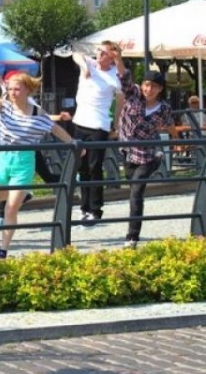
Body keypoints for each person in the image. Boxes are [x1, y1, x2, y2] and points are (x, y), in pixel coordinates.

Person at [0, 67, 75, 259]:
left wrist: (74, 144)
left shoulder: (37, 111)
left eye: (16, 89)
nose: (12, 93)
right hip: (3, 156)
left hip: (25, 160)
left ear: (27, 89)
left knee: (11, 208)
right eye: (10, 89)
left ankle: (3, 249)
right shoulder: (4, 106)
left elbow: (54, 129)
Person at [119, 69, 177, 249]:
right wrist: (118, 59)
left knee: (136, 192)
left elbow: (170, 124)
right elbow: (125, 79)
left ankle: (132, 236)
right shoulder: (134, 95)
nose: (148, 89)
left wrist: (177, 140)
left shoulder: (164, 108)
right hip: (127, 150)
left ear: (160, 89)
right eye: (146, 84)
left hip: (146, 153)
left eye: (154, 86)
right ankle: (158, 160)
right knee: (132, 187)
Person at [70, 40, 124, 227]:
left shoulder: (114, 76)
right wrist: (85, 66)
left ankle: (95, 208)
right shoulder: (90, 64)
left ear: (112, 57)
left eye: (104, 53)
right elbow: (76, 54)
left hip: (98, 125)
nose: (99, 55)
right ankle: (84, 207)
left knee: (94, 167)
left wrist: (115, 124)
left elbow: (121, 99)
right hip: (80, 122)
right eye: (99, 51)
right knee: (81, 167)